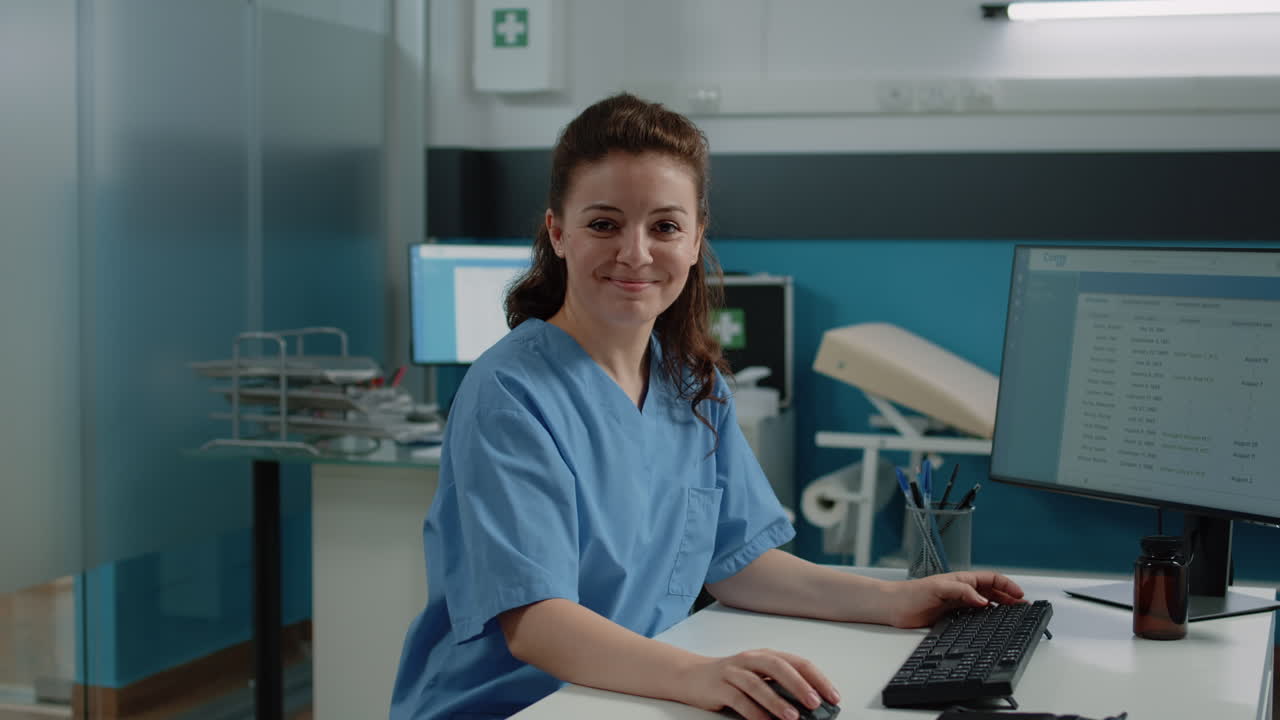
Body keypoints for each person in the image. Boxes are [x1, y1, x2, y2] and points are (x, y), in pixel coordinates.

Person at [390, 93, 1025, 720]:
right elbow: (536, 623)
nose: (635, 253)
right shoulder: (510, 392)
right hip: (518, 705)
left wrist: (896, 599)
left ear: (695, 240)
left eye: (664, 226)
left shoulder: (692, 384)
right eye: (604, 224)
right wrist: (702, 676)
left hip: (632, 691)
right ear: (558, 232)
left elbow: (739, 565)